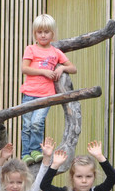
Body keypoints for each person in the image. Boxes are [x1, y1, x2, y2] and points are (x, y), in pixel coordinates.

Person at [19, 14, 76, 163]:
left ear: (53, 34)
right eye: (39, 32)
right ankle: (25, 154)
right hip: (29, 93)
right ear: (34, 33)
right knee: (27, 125)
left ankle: (35, 151)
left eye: (46, 32)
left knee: (37, 123)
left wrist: (62, 67)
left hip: (46, 95)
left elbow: (73, 68)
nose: (43, 35)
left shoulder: (55, 52)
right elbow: (25, 69)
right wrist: (44, 72)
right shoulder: (31, 49)